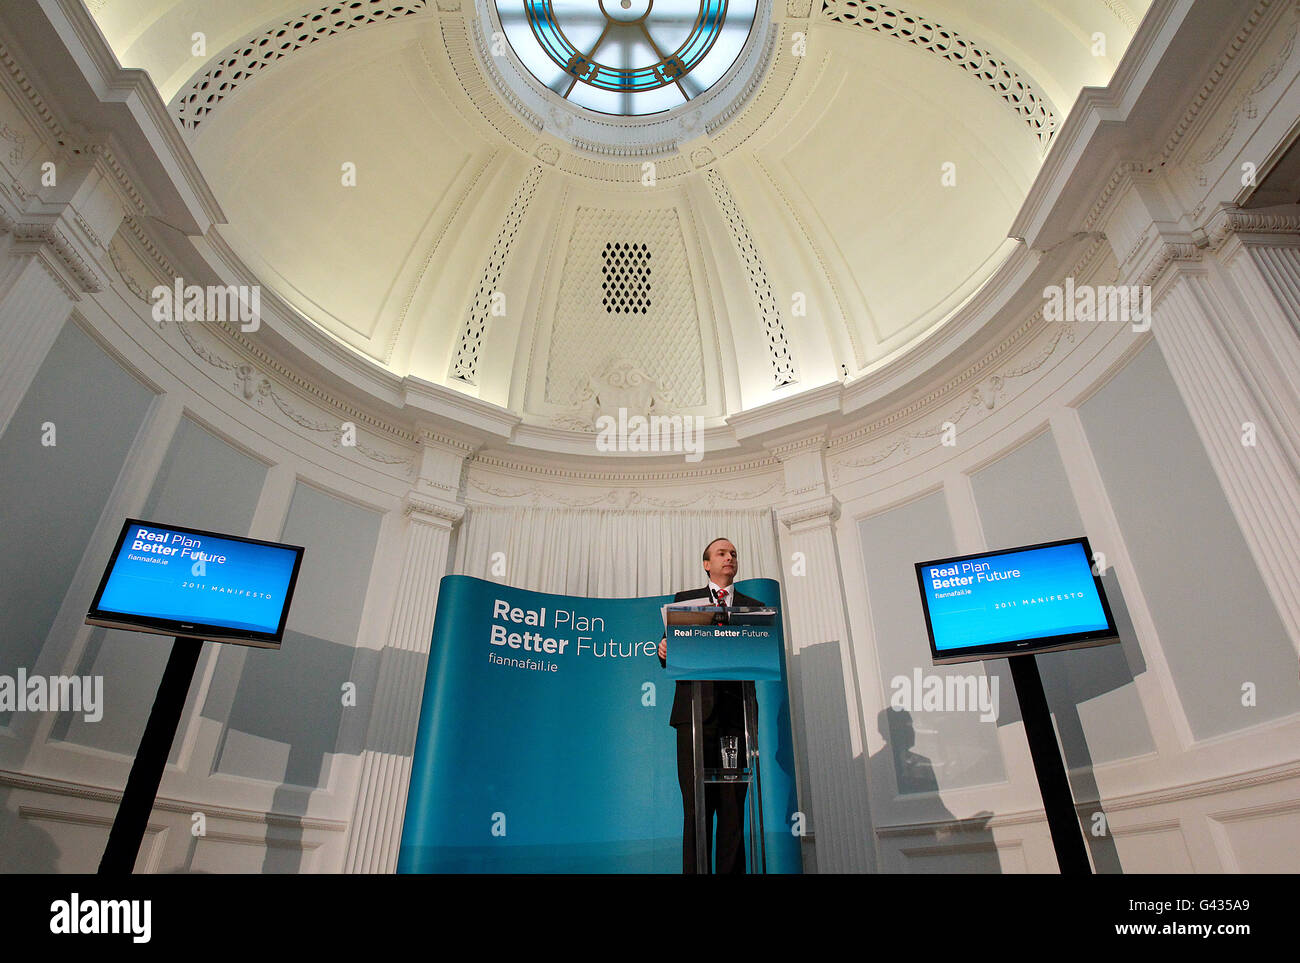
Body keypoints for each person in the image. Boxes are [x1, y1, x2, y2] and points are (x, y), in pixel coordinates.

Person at [657, 537, 762, 874]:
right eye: (721, 553)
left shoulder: (753, 607)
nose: (729, 557)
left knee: (733, 811)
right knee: (697, 809)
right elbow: (673, 652)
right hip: (694, 719)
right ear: (707, 564)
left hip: (736, 719)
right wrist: (663, 650)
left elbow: (760, 659)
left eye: (734, 553)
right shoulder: (685, 602)